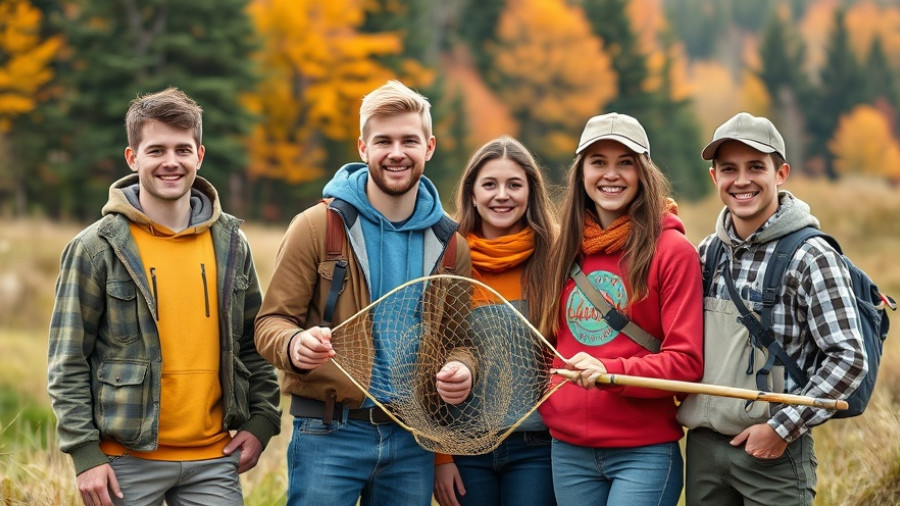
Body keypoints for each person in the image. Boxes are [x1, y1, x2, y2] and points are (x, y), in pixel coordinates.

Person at [47, 87, 282, 506]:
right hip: (125, 461)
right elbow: (68, 360)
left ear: (200, 155)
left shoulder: (232, 243)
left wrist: (263, 419)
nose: (170, 162)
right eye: (156, 150)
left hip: (214, 459)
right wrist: (84, 453)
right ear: (132, 158)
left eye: (182, 149)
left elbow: (253, 342)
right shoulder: (96, 247)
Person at [254, 80, 474, 506]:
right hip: (328, 433)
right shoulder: (317, 226)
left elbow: (460, 342)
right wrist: (295, 343)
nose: (396, 152)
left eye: (409, 140)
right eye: (383, 141)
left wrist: (462, 370)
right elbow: (269, 324)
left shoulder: (451, 244)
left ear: (429, 147)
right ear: (362, 147)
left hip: (413, 438)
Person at [677, 112, 867, 505]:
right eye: (729, 169)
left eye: (755, 167)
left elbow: (848, 358)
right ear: (715, 178)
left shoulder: (811, 256)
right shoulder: (707, 253)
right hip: (703, 451)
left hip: (773, 455)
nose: (741, 180)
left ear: (781, 173)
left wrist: (781, 429)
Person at [536, 112, 704, 506]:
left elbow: (686, 362)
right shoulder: (563, 249)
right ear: (581, 173)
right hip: (568, 450)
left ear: (643, 172)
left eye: (625, 162)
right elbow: (550, 345)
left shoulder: (673, 252)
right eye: (598, 162)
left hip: (642, 452)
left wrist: (610, 372)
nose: (611, 174)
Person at [432, 136, 558, 506]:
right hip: (465, 450)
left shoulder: (554, 258)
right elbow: (431, 358)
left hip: (537, 448)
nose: (501, 195)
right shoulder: (448, 259)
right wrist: (441, 458)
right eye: (490, 184)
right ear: (472, 193)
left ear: (531, 193)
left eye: (514, 185)